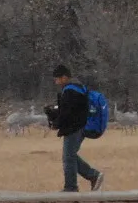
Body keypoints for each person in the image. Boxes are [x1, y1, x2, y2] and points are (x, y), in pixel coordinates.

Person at [45, 65, 106, 193]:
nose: (55, 81)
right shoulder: (78, 88)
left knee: (68, 157)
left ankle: (71, 187)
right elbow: (71, 110)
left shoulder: (70, 90)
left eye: (57, 79)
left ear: (64, 77)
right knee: (70, 156)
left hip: (74, 128)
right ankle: (93, 176)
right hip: (79, 126)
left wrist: (56, 122)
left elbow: (67, 113)